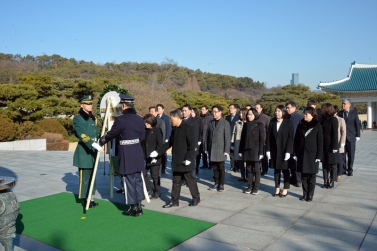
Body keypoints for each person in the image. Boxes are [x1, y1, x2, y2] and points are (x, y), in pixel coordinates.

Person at [99, 94, 145, 217]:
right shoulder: (140, 119)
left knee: (128, 180)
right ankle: (139, 206)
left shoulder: (120, 119)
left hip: (127, 152)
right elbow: (142, 137)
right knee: (138, 179)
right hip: (137, 151)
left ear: (123, 105)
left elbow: (112, 134)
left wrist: (101, 141)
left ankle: (133, 207)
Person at [150, 109, 200, 208]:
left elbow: (193, 145)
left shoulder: (188, 128)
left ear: (177, 117)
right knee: (176, 181)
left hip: (186, 160)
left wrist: (189, 159)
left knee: (190, 180)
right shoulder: (174, 129)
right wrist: (158, 152)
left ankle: (196, 198)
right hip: (177, 160)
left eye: (171, 118)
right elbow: (169, 143)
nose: (170, 121)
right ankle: (174, 201)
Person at [73, 95, 101, 209]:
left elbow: (96, 131)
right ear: (82, 105)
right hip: (84, 151)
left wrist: (99, 140)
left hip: (94, 151)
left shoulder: (93, 118)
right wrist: (92, 143)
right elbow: (81, 134)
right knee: (84, 178)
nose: (90, 106)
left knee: (92, 177)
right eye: (87, 104)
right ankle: (85, 199)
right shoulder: (77, 118)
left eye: (90, 104)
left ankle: (90, 197)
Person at [293, 107, 323, 202]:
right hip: (302, 154)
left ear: (312, 115)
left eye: (307, 114)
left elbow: (320, 142)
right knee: (303, 176)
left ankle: (310, 194)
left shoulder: (317, 126)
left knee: (312, 177)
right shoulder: (300, 125)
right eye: (304, 113)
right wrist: (295, 153)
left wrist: (319, 156)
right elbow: (296, 140)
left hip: (312, 154)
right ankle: (304, 194)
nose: (304, 115)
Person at [266, 105, 294, 197]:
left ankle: (285, 188)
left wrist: (288, 151)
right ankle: (277, 188)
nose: (276, 113)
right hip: (274, 150)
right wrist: (268, 150)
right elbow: (269, 137)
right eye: (276, 111)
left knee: (285, 170)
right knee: (276, 171)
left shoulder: (288, 123)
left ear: (283, 112)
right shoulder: (272, 122)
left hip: (284, 151)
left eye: (278, 111)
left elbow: (290, 138)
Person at [205, 105, 231, 192]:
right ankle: (216, 183)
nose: (214, 113)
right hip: (212, 148)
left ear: (220, 112)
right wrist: (206, 147)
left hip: (221, 148)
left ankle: (221, 184)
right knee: (214, 168)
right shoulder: (211, 123)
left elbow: (227, 137)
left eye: (216, 112)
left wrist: (226, 150)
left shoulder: (225, 123)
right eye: (213, 112)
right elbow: (207, 136)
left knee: (221, 167)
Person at [239, 108, 265, 195]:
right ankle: (249, 186)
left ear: (255, 115)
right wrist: (240, 150)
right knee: (249, 169)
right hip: (246, 150)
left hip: (256, 150)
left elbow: (262, 140)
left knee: (257, 169)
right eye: (248, 114)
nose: (249, 116)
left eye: (251, 114)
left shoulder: (260, 125)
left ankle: (256, 187)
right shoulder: (246, 125)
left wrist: (261, 152)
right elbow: (242, 139)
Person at [141, 114, 163, 199]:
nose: (146, 124)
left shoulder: (157, 130)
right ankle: (149, 189)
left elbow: (160, 144)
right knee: (143, 174)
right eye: (145, 122)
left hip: (154, 157)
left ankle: (157, 191)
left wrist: (156, 155)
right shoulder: (143, 130)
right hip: (144, 156)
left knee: (154, 175)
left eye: (147, 122)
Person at [337, 99, 360, 176]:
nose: (343, 105)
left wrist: (358, 135)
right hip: (342, 138)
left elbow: (357, 124)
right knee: (342, 155)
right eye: (342, 104)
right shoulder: (340, 113)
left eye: (344, 104)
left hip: (351, 137)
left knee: (351, 155)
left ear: (349, 105)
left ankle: (350, 169)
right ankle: (343, 169)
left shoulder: (354, 113)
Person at [320, 103, 339, 189]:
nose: (322, 110)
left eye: (323, 108)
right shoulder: (321, 119)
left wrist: (335, 146)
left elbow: (335, 134)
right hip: (323, 145)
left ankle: (332, 180)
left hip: (331, 145)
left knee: (332, 164)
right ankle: (325, 181)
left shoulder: (333, 120)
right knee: (324, 164)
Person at [286, 101, 304, 187]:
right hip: (288, 143)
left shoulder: (299, 117)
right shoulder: (286, 117)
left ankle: (299, 180)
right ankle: (293, 178)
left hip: (296, 143)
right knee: (290, 163)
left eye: (289, 108)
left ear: (294, 108)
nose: (287, 109)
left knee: (296, 163)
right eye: (286, 108)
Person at [182, 104, 200, 177]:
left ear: (190, 111)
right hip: (182, 145)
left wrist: (195, 146)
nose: (183, 112)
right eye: (182, 110)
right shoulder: (181, 120)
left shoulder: (194, 121)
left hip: (190, 145)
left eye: (185, 111)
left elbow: (196, 134)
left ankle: (191, 177)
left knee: (190, 161)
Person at [232, 108, 248, 181]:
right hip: (238, 143)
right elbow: (234, 133)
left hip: (246, 144)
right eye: (240, 113)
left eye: (242, 113)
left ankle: (248, 176)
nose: (240, 115)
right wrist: (232, 143)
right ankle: (242, 175)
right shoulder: (237, 123)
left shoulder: (248, 123)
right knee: (240, 161)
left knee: (247, 161)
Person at [156, 104, 172, 174]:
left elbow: (168, 128)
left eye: (160, 109)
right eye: (157, 109)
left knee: (163, 153)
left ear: (163, 110)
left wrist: (167, 138)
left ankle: (163, 167)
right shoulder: (155, 117)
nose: (158, 110)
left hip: (164, 137)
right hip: (157, 138)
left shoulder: (166, 117)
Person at [255, 103, 270, 176]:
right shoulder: (253, 116)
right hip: (255, 141)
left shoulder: (266, 118)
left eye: (257, 108)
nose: (256, 109)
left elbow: (268, 130)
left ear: (261, 109)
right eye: (255, 108)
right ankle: (258, 168)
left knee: (263, 156)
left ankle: (265, 169)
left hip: (263, 140)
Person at [225, 104, 240, 172]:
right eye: (229, 108)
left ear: (235, 109)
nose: (230, 109)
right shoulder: (227, 117)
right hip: (229, 136)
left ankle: (237, 166)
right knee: (231, 152)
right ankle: (232, 165)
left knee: (236, 152)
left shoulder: (238, 116)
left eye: (232, 108)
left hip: (236, 137)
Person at [334, 105, 346, 182]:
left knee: (340, 159)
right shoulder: (328, 119)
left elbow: (343, 132)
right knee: (332, 160)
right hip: (331, 144)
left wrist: (342, 142)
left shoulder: (341, 120)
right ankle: (333, 175)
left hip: (339, 142)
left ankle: (339, 174)